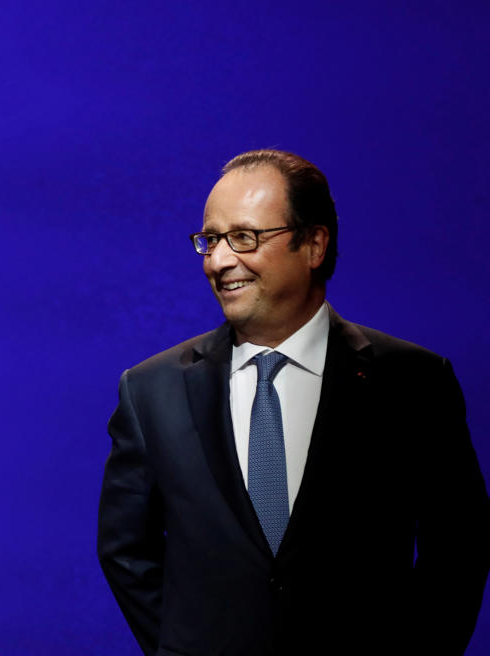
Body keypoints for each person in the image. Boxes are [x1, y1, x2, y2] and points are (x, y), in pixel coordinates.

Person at [97, 149, 490, 655]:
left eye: (244, 237)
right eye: (210, 240)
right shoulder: (151, 389)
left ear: (314, 244)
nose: (218, 261)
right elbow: (126, 551)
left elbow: (457, 549)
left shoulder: (412, 382)